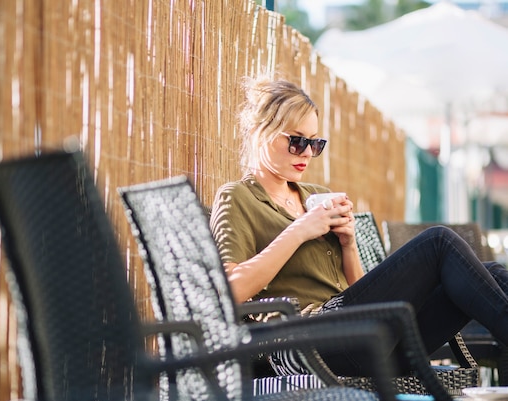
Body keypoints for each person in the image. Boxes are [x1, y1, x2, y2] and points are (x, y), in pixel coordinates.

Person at [209, 73, 508, 376]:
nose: (308, 154)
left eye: (315, 143)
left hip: (365, 337)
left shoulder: (317, 197)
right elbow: (230, 292)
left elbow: (356, 292)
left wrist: (348, 244)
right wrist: (299, 231)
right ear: (262, 132)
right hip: (309, 344)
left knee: (492, 274)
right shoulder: (238, 198)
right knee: (438, 243)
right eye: (297, 141)